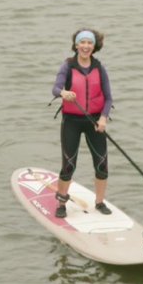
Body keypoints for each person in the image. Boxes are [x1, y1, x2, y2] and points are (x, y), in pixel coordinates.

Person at [51, 28, 113, 218]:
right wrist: (63, 93)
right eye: (82, 42)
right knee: (68, 165)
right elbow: (55, 89)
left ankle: (100, 203)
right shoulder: (67, 66)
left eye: (89, 43)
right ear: (76, 45)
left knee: (101, 165)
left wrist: (103, 118)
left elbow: (108, 98)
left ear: (94, 46)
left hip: (95, 122)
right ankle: (61, 203)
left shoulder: (99, 68)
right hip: (72, 122)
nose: (86, 46)